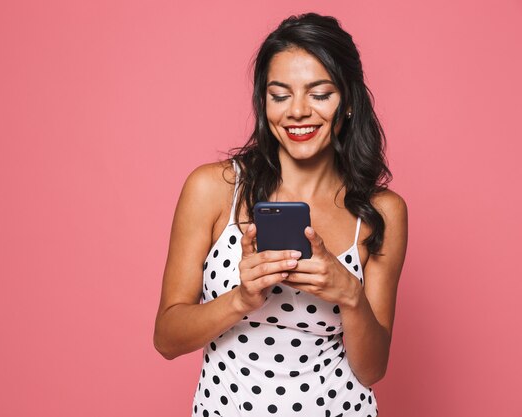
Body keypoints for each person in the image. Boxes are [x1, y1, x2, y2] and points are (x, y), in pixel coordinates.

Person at [154, 12, 408, 417]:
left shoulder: (380, 212)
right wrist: (241, 298)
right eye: (280, 94)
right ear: (263, 101)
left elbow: (373, 370)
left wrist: (350, 295)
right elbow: (166, 339)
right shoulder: (213, 189)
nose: (298, 112)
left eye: (319, 94)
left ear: (348, 102)